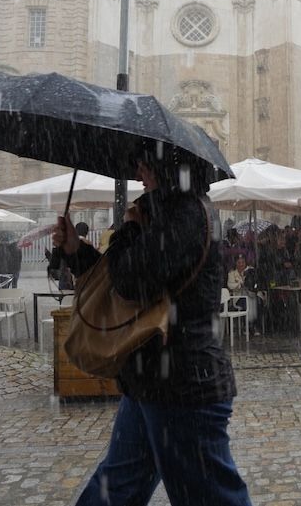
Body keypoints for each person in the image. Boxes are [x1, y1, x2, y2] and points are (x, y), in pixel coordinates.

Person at [53, 144, 251, 506]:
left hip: (183, 385)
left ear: (166, 168)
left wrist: (128, 228)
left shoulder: (187, 215)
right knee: (118, 485)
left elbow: (131, 280)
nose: (140, 175)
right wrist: (75, 251)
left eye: (145, 167)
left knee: (208, 496)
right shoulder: (164, 214)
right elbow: (121, 282)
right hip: (154, 381)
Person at [227, 253, 259, 333]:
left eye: (243, 262)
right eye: (239, 262)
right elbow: (230, 285)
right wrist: (240, 284)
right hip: (238, 297)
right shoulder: (232, 273)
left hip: (251, 295)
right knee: (246, 303)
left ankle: (255, 324)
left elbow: (256, 282)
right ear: (236, 263)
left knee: (258, 302)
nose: (241, 264)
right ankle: (247, 325)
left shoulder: (250, 270)